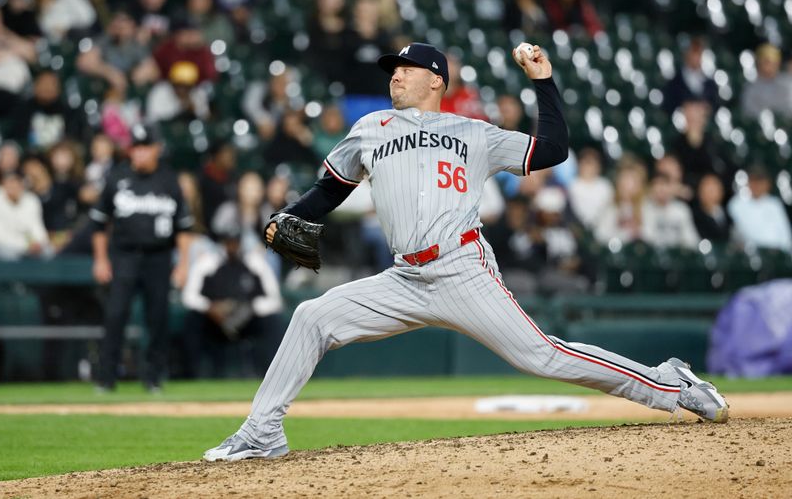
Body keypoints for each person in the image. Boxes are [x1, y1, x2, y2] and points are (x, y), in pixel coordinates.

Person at [203, 42, 729, 462]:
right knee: (312, 316)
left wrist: (544, 83)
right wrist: (293, 214)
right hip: (403, 279)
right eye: (393, 69)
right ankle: (261, 433)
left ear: (436, 79)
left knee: (542, 355)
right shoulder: (370, 129)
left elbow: (552, 150)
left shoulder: (472, 132)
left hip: (462, 268)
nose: (396, 75)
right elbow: (332, 188)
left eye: (407, 68)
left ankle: (669, 385)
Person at [89, 125, 194, 392]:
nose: (140, 153)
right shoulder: (117, 178)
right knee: (115, 316)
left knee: (158, 318)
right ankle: (106, 378)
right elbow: (99, 224)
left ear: (157, 149)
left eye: (145, 147)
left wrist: (183, 263)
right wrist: (101, 260)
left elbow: (184, 229)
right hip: (124, 255)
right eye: (136, 148)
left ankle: (153, 378)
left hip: (158, 258)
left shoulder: (170, 181)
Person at [181, 211, 284, 378]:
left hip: (246, 320)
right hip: (215, 322)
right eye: (228, 241)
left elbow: (274, 300)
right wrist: (211, 308)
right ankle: (191, 375)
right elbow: (189, 297)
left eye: (235, 241)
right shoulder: (208, 262)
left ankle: (274, 376)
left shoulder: (254, 262)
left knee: (272, 321)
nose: (232, 245)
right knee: (192, 320)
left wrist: (247, 309)